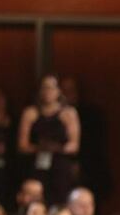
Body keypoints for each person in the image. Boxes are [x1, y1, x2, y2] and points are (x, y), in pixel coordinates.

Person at [17, 74, 80, 205]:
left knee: (60, 199)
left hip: (59, 165)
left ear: (58, 91)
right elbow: (22, 145)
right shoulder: (30, 113)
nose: (48, 92)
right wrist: (40, 147)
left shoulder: (68, 113)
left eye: (51, 88)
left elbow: (74, 145)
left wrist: (56, 148)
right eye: (45, 88)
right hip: (37, 163)